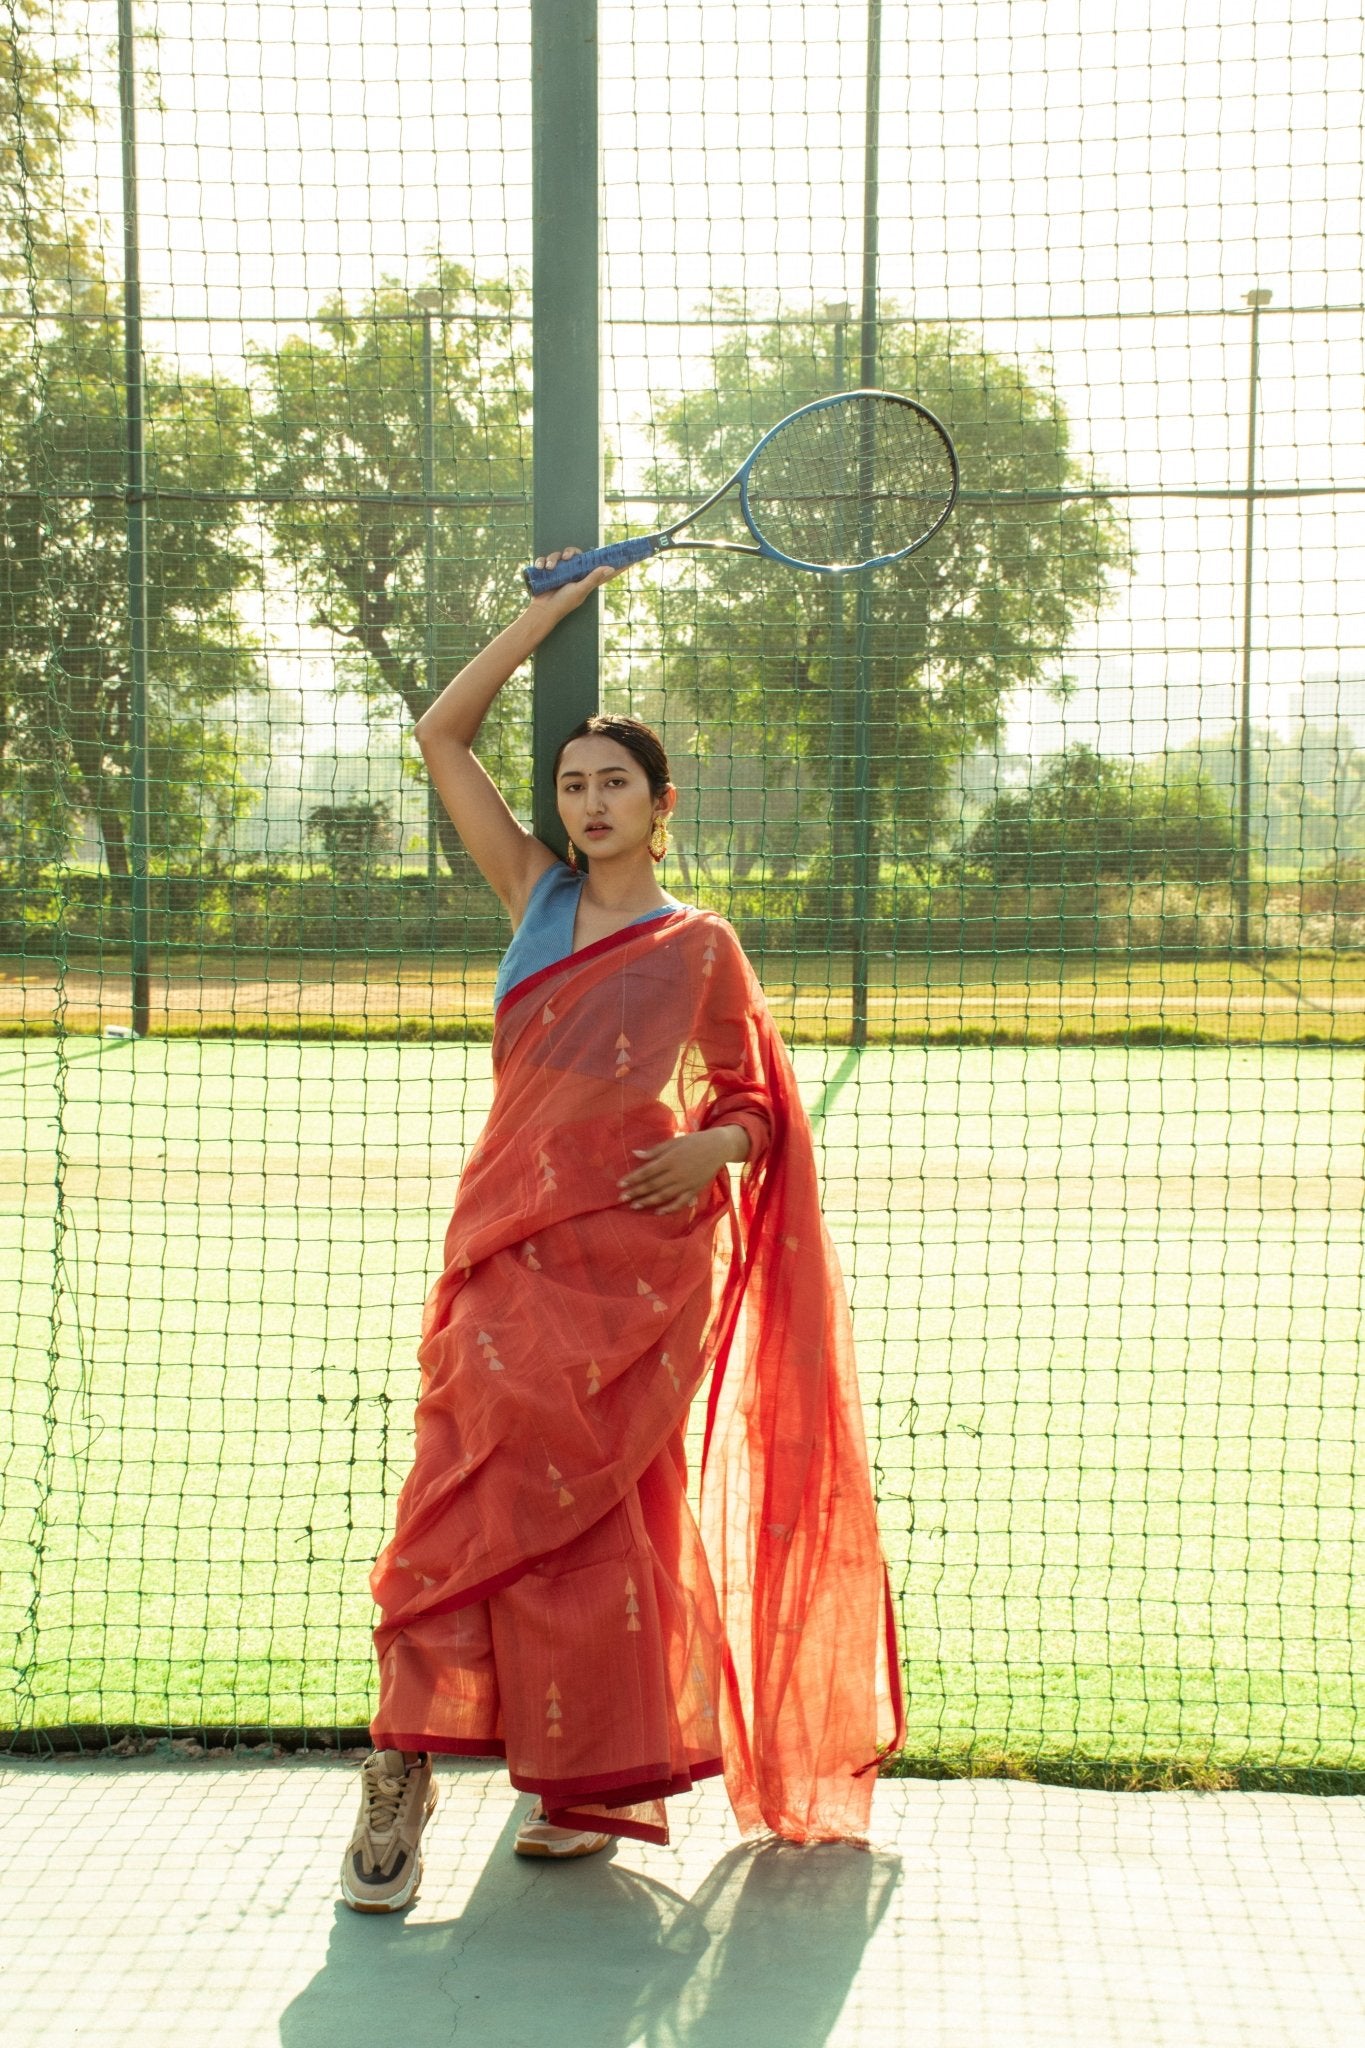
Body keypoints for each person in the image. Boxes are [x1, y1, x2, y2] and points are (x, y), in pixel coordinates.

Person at [340, 549, 904, 1913]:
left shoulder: (699, 943)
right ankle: (400, 1771)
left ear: (660, 808)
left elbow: (750, 1096)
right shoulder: (529, 898)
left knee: (603, 1526)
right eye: (571, 785)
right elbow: (438, 733)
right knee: (454, 1503)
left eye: (612, 785)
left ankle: (581, 1779)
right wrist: (548, 608)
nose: (587, 804)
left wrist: (717, 1142)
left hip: (635, 1266)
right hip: (505, 1251)